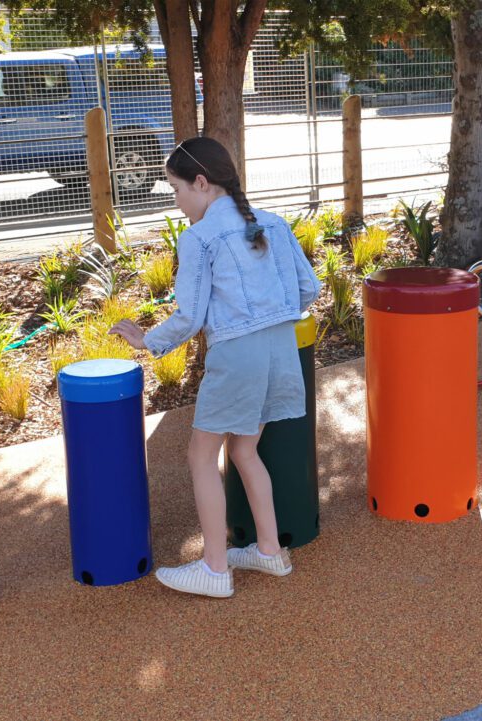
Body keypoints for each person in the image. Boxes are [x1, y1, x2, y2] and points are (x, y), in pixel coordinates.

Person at [109, 136, 321, 599]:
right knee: (245, 450)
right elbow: (309, 288)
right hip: (280, 349)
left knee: (201, 456)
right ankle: (270, 551)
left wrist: (147, 340)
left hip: (238, 354)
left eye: (176, 189)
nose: (176, 200)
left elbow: (190, 316)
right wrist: (273, 312)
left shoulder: (200, 237)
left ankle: (214, 568)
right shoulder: (273, 223)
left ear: (201, 183)